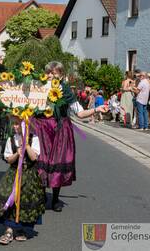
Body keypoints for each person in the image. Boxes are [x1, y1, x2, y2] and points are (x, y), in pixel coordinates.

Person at [32, 62, 108, 212]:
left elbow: (79, 113)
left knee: (58, 161)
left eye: (55, 73)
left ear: (61, 75)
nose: (51, 76)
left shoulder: (65, 90)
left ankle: (54, 198)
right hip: (41, 127)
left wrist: (96, 109)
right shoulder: (37, 86)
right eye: (49, 72)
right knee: (40, 161)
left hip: (60, 129)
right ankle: (41, 196)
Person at [0, 116, 45, 245]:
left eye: (18, 124)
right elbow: (8, 159)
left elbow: (34, 158)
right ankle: (8, 230)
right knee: (9, 199)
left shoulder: (34, 139)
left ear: (25, 125)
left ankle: (21, 229)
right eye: (14, 124)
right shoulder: (11, 139)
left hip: (29, 174)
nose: (15, 127)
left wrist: (26, 146)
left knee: (26, 199)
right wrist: (17, 153)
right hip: (13, 173)